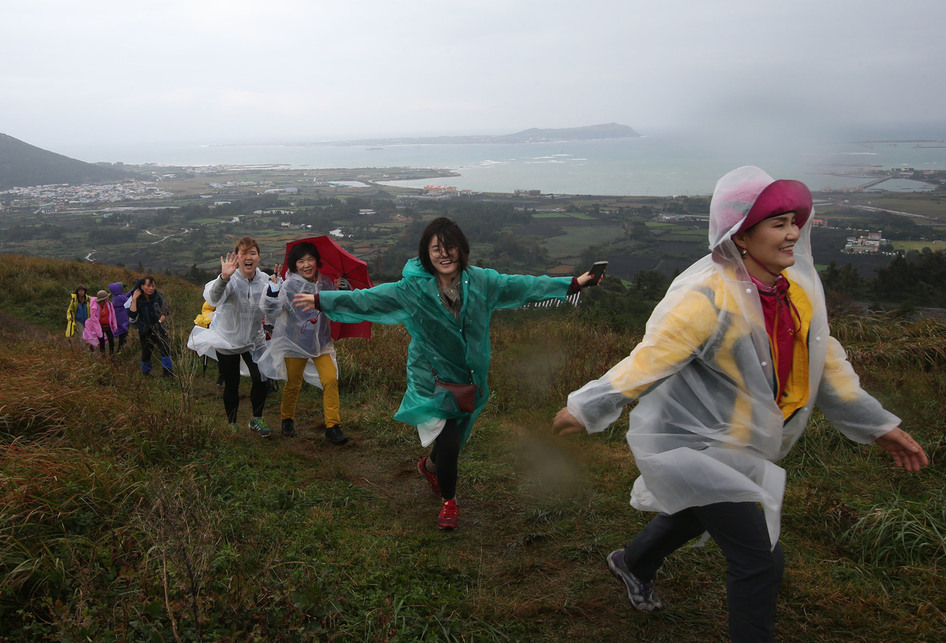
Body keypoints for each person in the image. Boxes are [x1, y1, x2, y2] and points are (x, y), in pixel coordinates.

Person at [551, 166, 928, 642]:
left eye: (794, 221)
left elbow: (825, 362)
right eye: (778, 223)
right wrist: (586, 408)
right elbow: (647, 361)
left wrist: (878, 425)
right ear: (742, 236)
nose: (794, 233)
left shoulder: (796, 294)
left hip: (743, 439)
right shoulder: (706, 298)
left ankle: (631, 562)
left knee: (696, 510)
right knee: (758, 557)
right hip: (693, 442)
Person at [295, 217, 602, 530]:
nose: (444, 255)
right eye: (436, 249)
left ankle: (429, 466)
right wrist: (322, 299)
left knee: (451, 439)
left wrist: (573, 283)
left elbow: (524, 285)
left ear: (462, 249)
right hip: (431, 376)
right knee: (451, 441)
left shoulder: (483, 282)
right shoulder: (412, 289)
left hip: (468, 376)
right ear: (426, 254)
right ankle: (449, 502)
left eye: (450, 247)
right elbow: (369, 299)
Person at [259, 241, 348, 444]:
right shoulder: (289, 286)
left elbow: (339, 308)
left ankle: (333, 427)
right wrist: (273, 289)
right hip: (295, 342)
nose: (306, 265)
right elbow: (272, 310)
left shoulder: (326, 283)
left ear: (317, 261)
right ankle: (287, 419)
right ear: (294, 265)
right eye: (301, 261)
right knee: (293, 383)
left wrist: (343, 291)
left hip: (321, 343)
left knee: (330, 380)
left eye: (310, 259)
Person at [188, 237, 272, 436]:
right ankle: (232, 422)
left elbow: (274, 308)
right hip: (227, 340)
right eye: (243, 253)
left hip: (254, 340)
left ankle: (256, 419)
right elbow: (213, 298)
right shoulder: (230, 279)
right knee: (232, 383)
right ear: (237, 258)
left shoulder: (265, 281)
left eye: (252, 253)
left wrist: (276, 294)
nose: (248, 257)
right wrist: (223, 278)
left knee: (262, 378)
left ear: (258, 257)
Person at [128, 276, 174, 376]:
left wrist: (159, 322)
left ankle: (168, 373)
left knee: (165, 349)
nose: (151, 288)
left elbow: (165, 310)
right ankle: (146, 372)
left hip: (159, 328)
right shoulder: (138, 299)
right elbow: (132, 314)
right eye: (148, 286)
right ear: (142, 286)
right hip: (145, 330)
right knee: (146, 352)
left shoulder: (159, 296)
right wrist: (134, 299)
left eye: (153, 286)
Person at [81, 289, 118, 354]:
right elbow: (94, 319)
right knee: (102, 342)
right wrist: (98, 329)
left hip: (108, 325)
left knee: (111, 341)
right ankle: (103, 356)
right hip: (99, 326)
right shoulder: (94, 307)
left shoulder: (109, 304)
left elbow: (113, 315)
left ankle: (111, 355)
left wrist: (114, 325)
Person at [108, 282, 130, 352]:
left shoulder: (116, 297)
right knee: (123, 337)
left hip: (119, 321)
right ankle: (120, 351)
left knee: (122, 337)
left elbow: (125, 296)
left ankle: (119, 350)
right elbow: (129, 301)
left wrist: (131, 292)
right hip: (123, 322)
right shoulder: (120, 298)